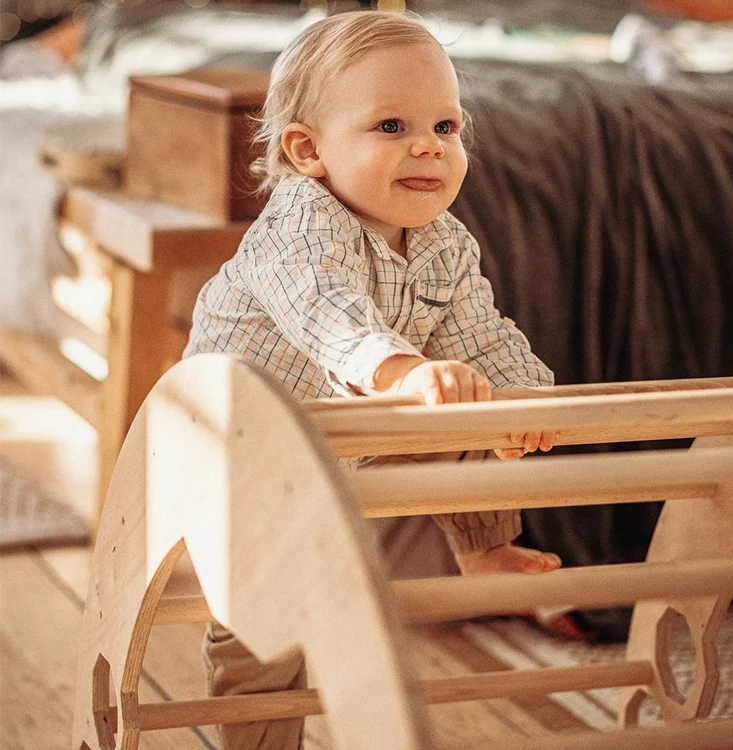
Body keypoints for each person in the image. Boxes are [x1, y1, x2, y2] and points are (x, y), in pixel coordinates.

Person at [183, 10, 561, 749]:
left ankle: (481, 547)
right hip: (240, 452)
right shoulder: (300, 222)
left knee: (472, 404)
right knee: (263, 629)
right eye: (391, 126)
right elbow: (327, 312)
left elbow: (480, 335)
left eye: (446, 128)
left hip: (347, 434)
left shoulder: (445, 243)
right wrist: (405, 373)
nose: (427, 145)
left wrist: (527, 403)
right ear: (308, 150)